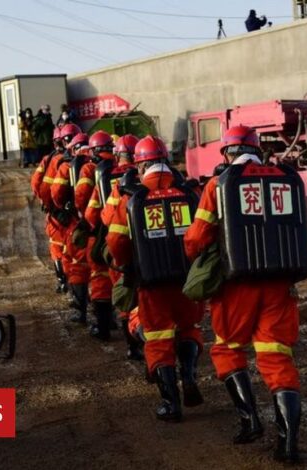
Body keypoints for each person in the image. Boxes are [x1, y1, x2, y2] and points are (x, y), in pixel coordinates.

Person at [183, 126, 306, 463]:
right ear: (257, 148)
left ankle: (250, 420)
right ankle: (289, 443)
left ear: (226, 153)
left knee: (227, 349)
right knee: (277, 357)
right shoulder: (287, 178)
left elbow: (196, 238)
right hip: (280, 285)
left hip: (236, 288)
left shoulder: (219, 185)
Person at [107, 135, 205, 422]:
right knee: (189, 327)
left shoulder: (131, 197)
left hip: (152, 283)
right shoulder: (189, 191)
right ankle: (188, 374)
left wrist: (127, 267)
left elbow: (115, 241)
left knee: (158, 337)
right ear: (165, 161)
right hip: (188, 280)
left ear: (140, 165)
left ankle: (170, 404)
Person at [97, 134, 144, 359]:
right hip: (154, 251)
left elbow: (106, 218)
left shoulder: (116, 182)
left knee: (126, 297)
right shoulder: (154, 178)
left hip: (125, 248)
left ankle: (133, 346)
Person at [77, 131, 117, 340]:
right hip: (127, 231)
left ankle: (103, 327)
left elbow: (85, 200)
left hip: (100, 231)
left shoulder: (90, 169)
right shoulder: (123, 167)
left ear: (93, 150)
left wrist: (84, 223)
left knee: (100, 277)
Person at [51, 129, 91, 324]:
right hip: (104, 223)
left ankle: (80, 310)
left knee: (76, 264)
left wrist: (62, 209)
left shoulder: (68, 166)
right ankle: (108, 316)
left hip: (78, 221)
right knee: (102, 269)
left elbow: (56, 193)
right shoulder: (100, 163)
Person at [32, 127, 69, 294]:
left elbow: (36, 183)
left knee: (57, 248)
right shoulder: (78, 159)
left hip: (55, 212)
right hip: (74, 213)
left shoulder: (49, 159)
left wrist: (45, 202)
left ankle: (63, 281)